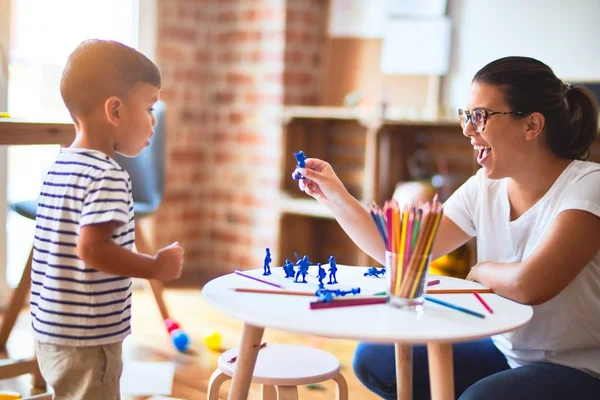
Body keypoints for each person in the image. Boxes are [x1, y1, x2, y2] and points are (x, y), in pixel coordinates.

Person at [293, 56, 600, 399]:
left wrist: (480, 269)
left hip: (579, 368)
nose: (468, 130)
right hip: (509, 352)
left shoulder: (588, 187)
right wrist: (336, 196)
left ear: (531, 125)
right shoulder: (484, 186)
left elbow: (531, 285)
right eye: (467, 116)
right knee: (375, 359)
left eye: (481, 116)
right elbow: (399, 251)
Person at [31, 39, 185, 400]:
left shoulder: (59, 165)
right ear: (114, 111)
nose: (153, 122)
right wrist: (155, 266)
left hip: (50, 329)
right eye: (149, 108)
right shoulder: (108, 175)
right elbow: (93, 249)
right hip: (88, 338)